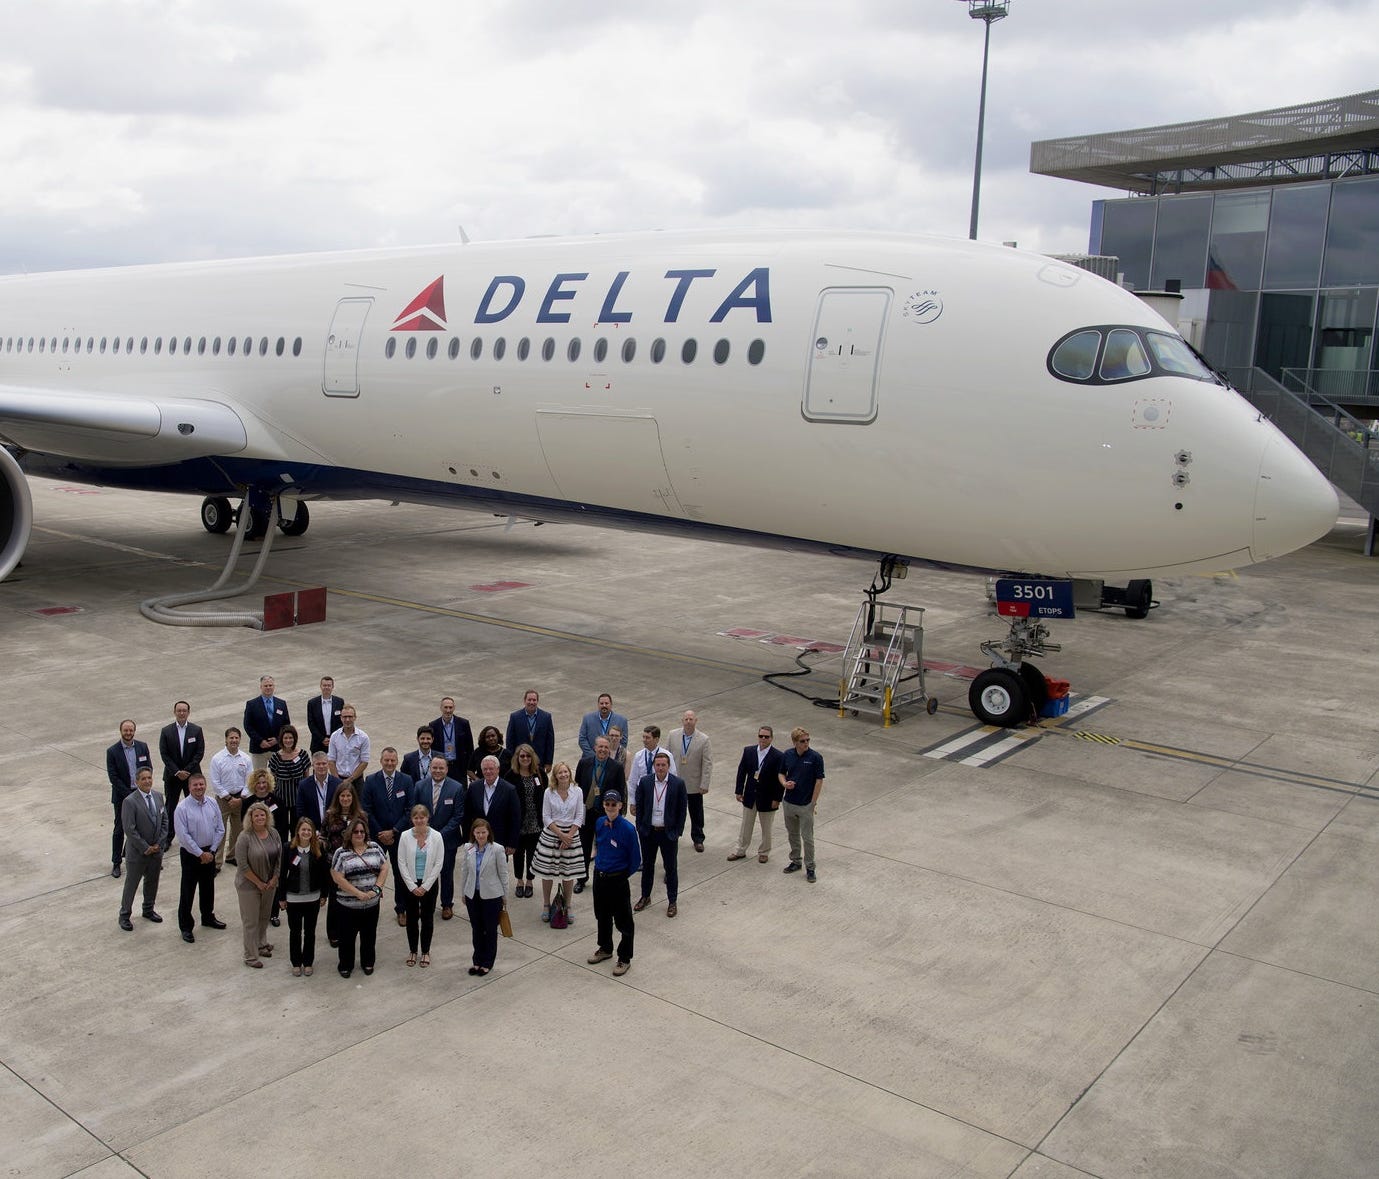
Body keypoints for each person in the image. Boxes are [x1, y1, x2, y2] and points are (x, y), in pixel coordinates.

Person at [587, 790, 640, 977]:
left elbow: (635, 859)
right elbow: (598, 845)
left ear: (620, 806)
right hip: (600, 876)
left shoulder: (627, 829)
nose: (610, 807)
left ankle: (624, 957)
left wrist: (620, 876)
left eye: (613, 804)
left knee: (624, 920)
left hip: (617, 879)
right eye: (607, 804)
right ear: (603, 805)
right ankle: (605, 948)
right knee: (602, 915)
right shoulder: (600, 823)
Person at [361, 748, 415, 926]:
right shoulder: (370, 781)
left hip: (399, 836)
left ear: (397, 761)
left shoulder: (406, 780)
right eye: (387, 760)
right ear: (381, 761)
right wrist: (381, 833)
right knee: (373, 873)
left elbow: (410, 809)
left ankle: (401, 909)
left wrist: (394, 831)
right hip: (377, 836)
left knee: (400, 874)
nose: (390, 763)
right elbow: (366, 810)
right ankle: (369, 906)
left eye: (393, 760)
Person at [330, 817, 388, 978]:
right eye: (356, 831)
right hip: (347, 906)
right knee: (347, 938)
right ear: (349, 834)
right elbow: (337, 877)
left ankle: (368, 962)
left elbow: (384, 867)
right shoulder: (341, 853)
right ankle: (345, 965)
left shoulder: (375, 848)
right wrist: (358, 894)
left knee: (369, 935)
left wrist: (377, 889)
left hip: (371, 904)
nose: (359, 834)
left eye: (362, 831)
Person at [173, 773, 227, 943]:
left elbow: (220, 828)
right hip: (191, 854)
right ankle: (186, 926)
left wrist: (211, 851)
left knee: (208, 886)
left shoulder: (212, 803)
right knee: (188, 891)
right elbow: (183, 836)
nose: (199, 788)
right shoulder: (182, 808)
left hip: (209, 852)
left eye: (201, 784)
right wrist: (199, 853)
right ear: (189, 787)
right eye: (195, 785)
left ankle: (207, 917)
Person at [633, 751, 688, 917]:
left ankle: (672, 901)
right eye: (658, 765)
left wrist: (677, 832)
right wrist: (640, 828)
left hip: (668, 834)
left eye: (664, 765)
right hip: (649, 832)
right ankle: (645, 896)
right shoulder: (645, 782)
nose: (661, 768)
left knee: (670, 868)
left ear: (668, 766)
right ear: (653, 766)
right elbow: (640, 806)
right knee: (648, 867)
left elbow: (682, 809)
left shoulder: (678, 784)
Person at [531, 762, 583, 923]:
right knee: (547, 873)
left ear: (570, 773)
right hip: (553, 834)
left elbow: (579, 816)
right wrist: (561, 835)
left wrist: (569, 836)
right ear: (555, 776)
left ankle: (568, 906)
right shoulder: (549, 792)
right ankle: (546, 905)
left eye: (566, 772)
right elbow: (546, 817)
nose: (563, 775)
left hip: (571, 834)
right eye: (560, 773)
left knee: (568, 874)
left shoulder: (578, 791)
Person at [575, 735, 627, 894]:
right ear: (594, 748)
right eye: (600, 747)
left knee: (604, 845)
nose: (603, 749)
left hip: (605, 814)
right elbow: (577, 784)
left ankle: (604, 877)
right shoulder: (584, 763)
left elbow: (620, 790)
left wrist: (617, 813)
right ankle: (581, 879)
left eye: (606, 747)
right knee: (583, 846)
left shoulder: (616, 767)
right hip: (586, 812)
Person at [416, 756, 465, 919]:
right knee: (426, 873)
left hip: (447, 840)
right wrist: (425, 834)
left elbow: (458, 816)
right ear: (430, 768)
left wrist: (437, 835)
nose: (437, 771)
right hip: (424, 839)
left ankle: (446, 904)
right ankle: (426, 904)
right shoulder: (420, 786)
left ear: (447, 769)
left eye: (441, 768)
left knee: (446, 873)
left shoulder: (456, 788)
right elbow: (415, 812)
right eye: (434, 768)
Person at [118, 766, 167, 930]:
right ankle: (124, 915)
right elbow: (129, 829)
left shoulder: (159, 797)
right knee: (132, 884)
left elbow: (165, 822)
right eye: (143, 779)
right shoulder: (129, 802)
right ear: (136, 781)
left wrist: (159, 844)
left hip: (156, 851)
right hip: (138, 853)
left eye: (149, 778)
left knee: (152, 882)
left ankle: (148, 909)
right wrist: (145, 847)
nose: (147, 781)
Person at [459, 816, 510, 976]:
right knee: (476, 929)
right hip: (473, 895)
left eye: (483, 832)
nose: (480, 835)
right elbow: (464, 872)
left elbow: (503, 873)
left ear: (488, 833)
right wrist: (463, 893)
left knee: (490, 929)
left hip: (492, 896)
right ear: (473, 833)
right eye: (477, 832)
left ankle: (488, 962)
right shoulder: (469, 848)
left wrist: (505, 896)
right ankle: (477, 960)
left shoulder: (497, 849)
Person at [235, 801, 282, 968]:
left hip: (270, 884)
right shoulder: (244, 837)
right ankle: (250, 956)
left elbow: (279, 859)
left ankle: (262, 944)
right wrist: (259, 883)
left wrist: (275, 878)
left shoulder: (274, 833)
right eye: (256, 815)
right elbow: (242, 865)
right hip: (249, 886)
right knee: (251, 921)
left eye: (263, 814)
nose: (260, 818)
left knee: (263, 917)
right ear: (251, 818)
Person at [729, 725, 784, 863]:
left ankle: (764, 852)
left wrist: (777, 798)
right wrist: (739, 790)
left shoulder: (778, 756)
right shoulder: (748, 751)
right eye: (761, 736)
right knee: (746, 825)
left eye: (766, 737)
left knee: (766, 827)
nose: (763, 739)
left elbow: (780, 778)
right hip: (750, 795)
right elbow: (742, 771)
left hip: (768, 797)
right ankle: (740, 850)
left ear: (771, 738)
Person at [282, 817, 329, 977]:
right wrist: (281, 897)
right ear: (298, 831)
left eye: (309, 830)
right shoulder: (288, 848)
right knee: (294, 932)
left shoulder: (318, 850)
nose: (306, 832)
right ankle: (296, 962)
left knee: (310, 932)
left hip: (313, 898)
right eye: (303, 829)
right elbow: (281, 874)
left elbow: (324, 874)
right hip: (293, 898)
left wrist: (324, 894)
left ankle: (308, 962)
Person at [397, 804, 443, 968]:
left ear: (427, 818)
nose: (419, 820)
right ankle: (412, 951)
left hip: (428, 884)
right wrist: (411, 886)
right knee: (412, 919)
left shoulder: (437, 837)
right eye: (416, 818)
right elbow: (401, 862)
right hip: (410, 884)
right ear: (412, 819)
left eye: (422, 817)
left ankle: (425, 951)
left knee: (427, 918)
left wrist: (425, 886)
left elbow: (439, 863)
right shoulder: (404, 836)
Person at [321, 781, 366, 947]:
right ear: (337, 797)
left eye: (348, 796)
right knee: (335, 899)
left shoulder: (360, 816)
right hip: (334, 865)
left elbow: (366, 839)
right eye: (342, 796)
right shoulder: (330, 815)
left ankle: (350, 930)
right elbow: (323, 837)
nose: (345, 799)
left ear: (353, 797)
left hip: (354, 865)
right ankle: (333, 933)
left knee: (352, 897)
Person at [106, 719, 153, 878]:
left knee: (143, 826)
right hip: (122, 796)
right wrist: (129, 794)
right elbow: (113, 777)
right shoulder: (112, 751)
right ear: (121, 731)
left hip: (140, 792)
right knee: (120, 828)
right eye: (125, 730)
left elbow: (148, 768)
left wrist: (143, 787)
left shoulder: (142, 747)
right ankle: (116, 863)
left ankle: (146, 859)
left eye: (131, 730)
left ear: (134, 731)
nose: (128, 733)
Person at [779, 726, 825, 883]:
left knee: (808, 838)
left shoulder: (815, 758)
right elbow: (781, 773)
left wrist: (813, 802)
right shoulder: (787, 755)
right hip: (789, 802)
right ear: (795, 742)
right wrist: (785, 784)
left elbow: (819, 780)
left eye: (808, 740)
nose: (806, 743)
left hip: (806, 805)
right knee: (792, 834)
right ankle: (796, 861)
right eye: (802, 741)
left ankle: (810, 867)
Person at [208, 728, 252, 870]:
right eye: (231, 738)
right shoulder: (217, 759)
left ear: (240, 739)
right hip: (223, 800)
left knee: (238, 830)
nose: (234, 740)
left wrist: (241, 798)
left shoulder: (246, 758)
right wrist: (228, 797)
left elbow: (249, 781)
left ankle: (232, 856)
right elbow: (215, 782)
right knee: (220, 831)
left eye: (236, 738)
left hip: (240, 799)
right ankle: (217, 862)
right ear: (226, 740)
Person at [669, 710, 713, 852]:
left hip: (694, 784)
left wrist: (704, 784)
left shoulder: (704, 739)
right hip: (675, 782)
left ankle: (698, 839)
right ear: (682, 721)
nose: (688, 722)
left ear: (696, 721)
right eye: (686, 719)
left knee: (696, 813)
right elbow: (666, 756)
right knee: (674, 811)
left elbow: (707, 763)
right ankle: (672, 834)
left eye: (691, 719)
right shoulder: (673, 735)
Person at [157, 701, 203, 834]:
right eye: (179, 710)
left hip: (192, 777)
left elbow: (199, 752)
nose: (182, 713)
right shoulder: (166, 731)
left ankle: (195, 833)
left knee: (194, 805)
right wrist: (177, 771)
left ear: (188, 712)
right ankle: (168, 836)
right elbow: (164, 754)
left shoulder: (196, 730)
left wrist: (187, 770)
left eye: (184, 711)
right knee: (170, 807)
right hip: (173, 776)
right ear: (174, 712)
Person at [508, 744, 547, 899]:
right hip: (518, 822)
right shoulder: (511, 775)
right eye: (522, 756)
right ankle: (519, 881)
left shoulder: (539, 773)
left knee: (532, 853)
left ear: (533, 757)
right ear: (517, 758)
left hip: (535, 821)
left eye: (528, 756)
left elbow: (547, 794)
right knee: (518, 854)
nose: (525, 759)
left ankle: (529, 881)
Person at [464, 755, 521, 854]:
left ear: (498, 769)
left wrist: (512, 843)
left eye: (491, 769)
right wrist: (468, 839)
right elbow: (467, 815)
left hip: (500, 840)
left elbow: (515, 819)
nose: (488, 772)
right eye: (485, 769)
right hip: (477, 839)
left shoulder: (509, 789)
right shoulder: (474, 787)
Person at [268, 724, 311, 832]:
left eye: (290, 738)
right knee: (280, 829)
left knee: (296, 829)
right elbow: (272, 779)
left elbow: (306, 777)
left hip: (297, 799)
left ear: (295, 739)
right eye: (285, 738)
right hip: (280, 799)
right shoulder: (275, 757)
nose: (288, 740)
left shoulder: (302, 755)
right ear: (281, 739)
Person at [242, 674, 291, 771]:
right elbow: (248, 726)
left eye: (270, 685)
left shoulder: (281, 703)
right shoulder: (252, 704)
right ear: (261, 687)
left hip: (277, 747)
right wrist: (260, 741)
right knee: (259, 777)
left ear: (274, 687)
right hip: (259, 748)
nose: (268, 688)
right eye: (265, 686)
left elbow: (286, 725)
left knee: (278, 775)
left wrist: (278, 739)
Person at [505, 689, 555, 772]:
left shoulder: (546, 717)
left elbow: (550, 741)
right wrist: (512, 760)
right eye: (529, 700)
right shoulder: (515, 717)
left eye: (534, 700)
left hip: (539, 760)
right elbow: (510, 740)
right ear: (524, 701)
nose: (531, 702)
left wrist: (549, 762)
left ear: (537, 701)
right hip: (520, 760)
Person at [428, 697, 474, 781]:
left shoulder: (463, 723)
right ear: (441, 708)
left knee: (460, 791)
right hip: (441, 766)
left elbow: (469, 746)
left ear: (454, 708)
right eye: (445, 707)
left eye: (450, 707)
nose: (448, 710)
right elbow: (432, 747)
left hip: (459, 766)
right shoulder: (433, 725)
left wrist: (469, 768)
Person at [327, 705, 370, 792]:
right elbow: (331, 761)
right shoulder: (334, 736)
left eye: (350, 717)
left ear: (355, 718)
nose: (347, 720)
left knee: (359, 805)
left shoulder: (363, 737)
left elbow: (364, 762)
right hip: (338, 779)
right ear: (341, 718)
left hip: (356, 780)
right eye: (345, 717)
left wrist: (350, 780)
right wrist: (338, 780)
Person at [295, 752, 340, 832]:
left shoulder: (337, 784)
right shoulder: (304, 785)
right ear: (313, 766)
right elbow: (300, 811)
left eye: (324, 763)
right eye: (318, 764)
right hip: (312, 830)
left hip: (333, 829)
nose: (321, 766)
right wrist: (310, 829)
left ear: (328, 764)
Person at [578, 693, 629, 759]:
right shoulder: (587, 719)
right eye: (601, 703)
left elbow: (623, 742)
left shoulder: (622, 721)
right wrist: (594, 756)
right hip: (591, 759)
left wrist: (611, 757)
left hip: (613, 761)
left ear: (611, 704)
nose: (604, 705)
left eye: (606, 703)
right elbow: (582, 740)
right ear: (598, 705)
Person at [628, 725, 676, 792]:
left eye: (647, 738)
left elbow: (673, 776)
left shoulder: (667, 755)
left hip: (660, 791)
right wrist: (632, 800)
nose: (644, 740)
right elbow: (633, 780)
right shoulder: (638, 756)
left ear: (656, 739)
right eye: (643, 737)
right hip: (643, 791)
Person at [306, 675, 344, 754]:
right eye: (324, 685)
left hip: (335, 742)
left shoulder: (339, 702)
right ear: (320, 686)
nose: (326, 687)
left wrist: (332, 738)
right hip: (318, 743)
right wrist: (322, 739)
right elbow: (311, 723)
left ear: (332, 687)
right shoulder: (312, 703)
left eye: (329, 685)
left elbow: (341, 722)